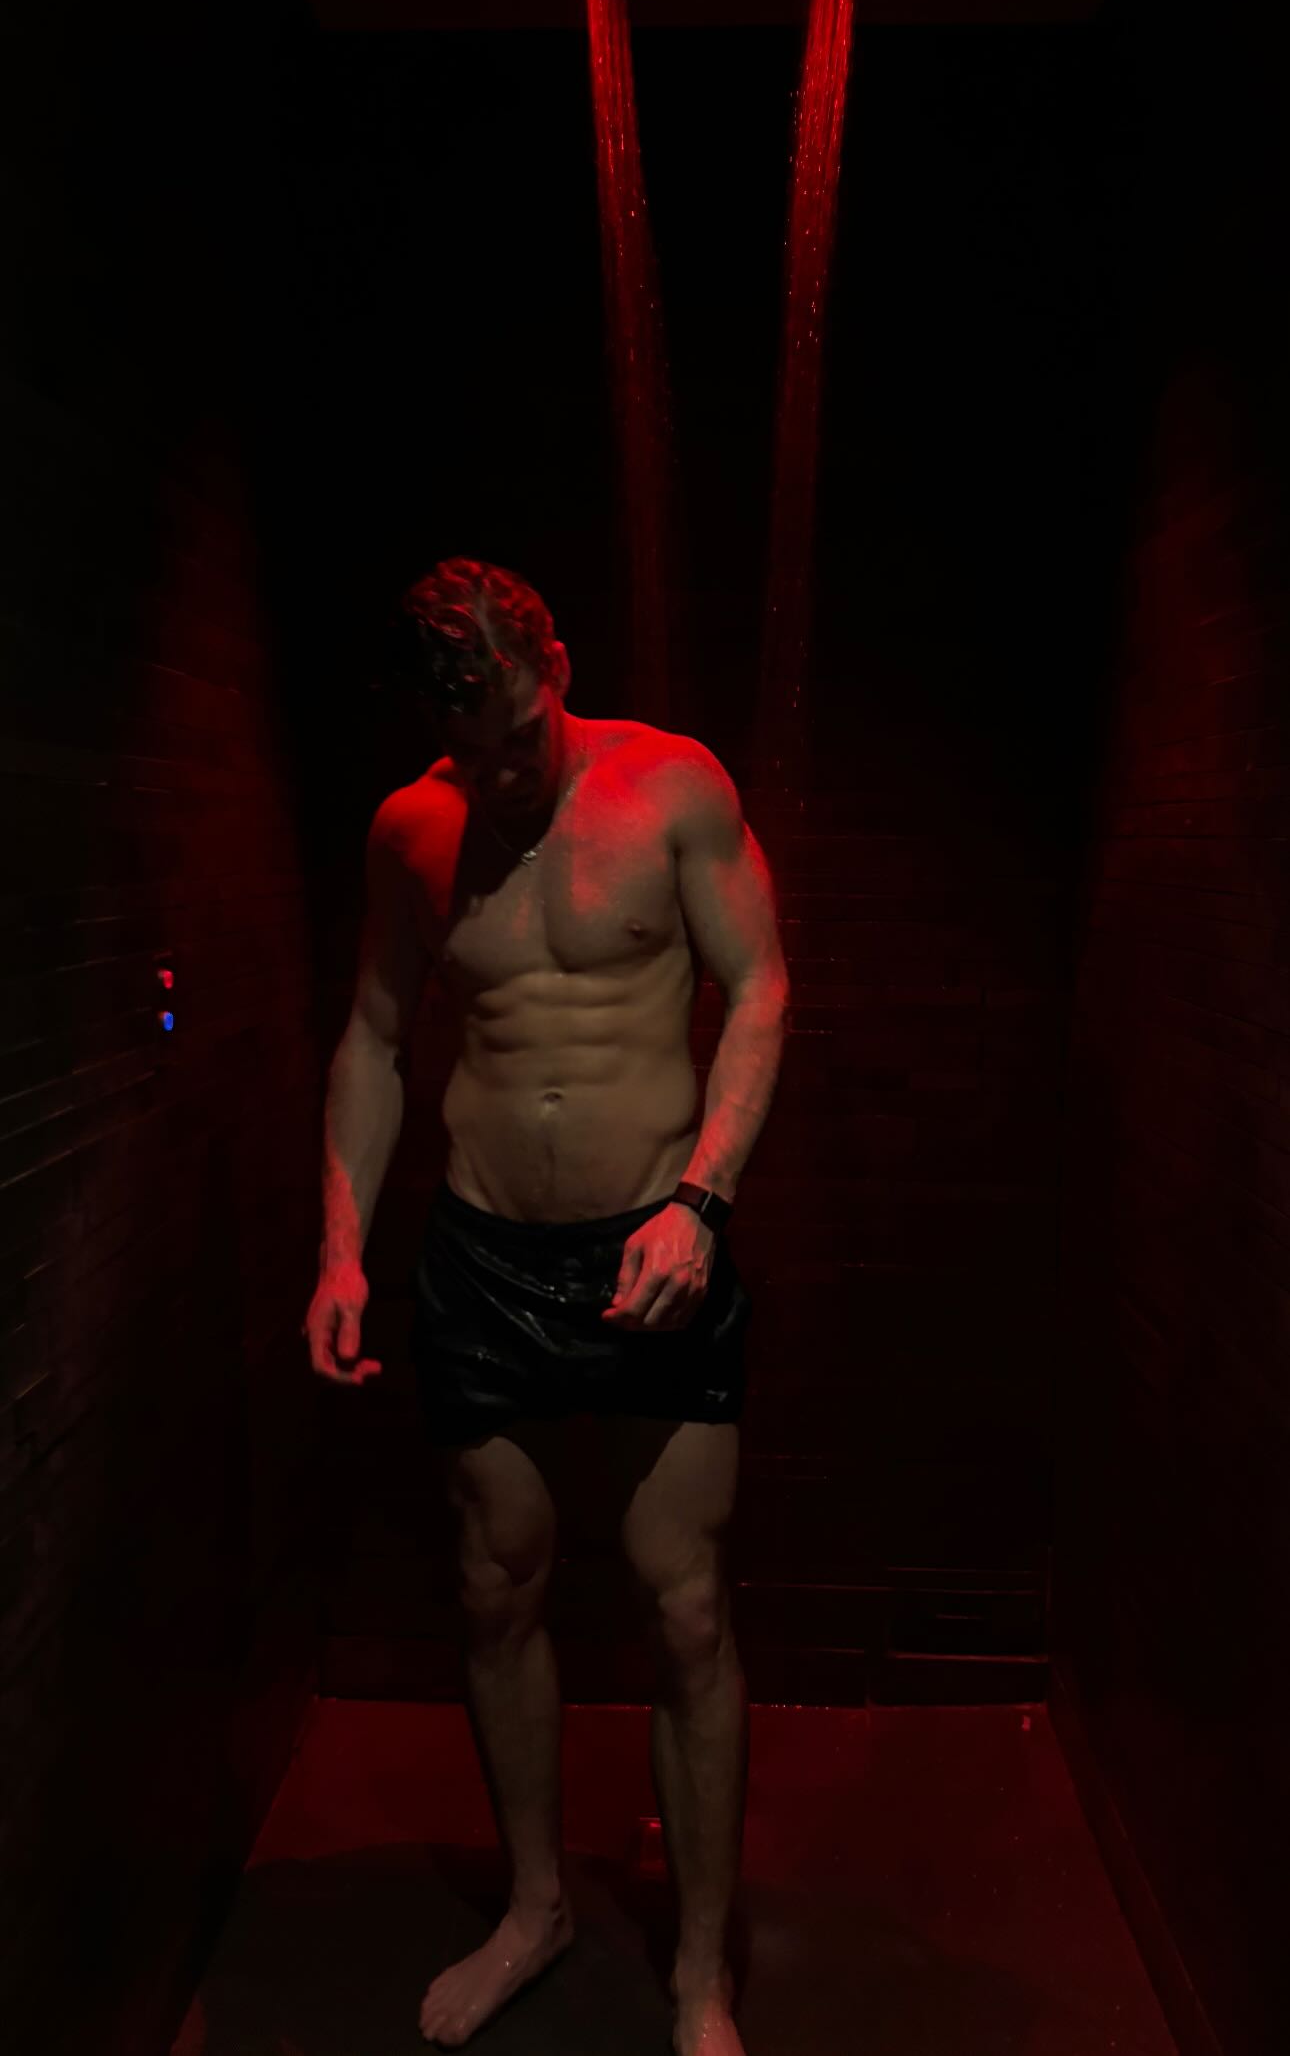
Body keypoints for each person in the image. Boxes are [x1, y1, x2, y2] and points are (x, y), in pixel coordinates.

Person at [303, 557, 788, 2056]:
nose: (505, 769)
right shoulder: (412, 830)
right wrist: (340, 1248)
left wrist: (701, 1202)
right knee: (495, 1581)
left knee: (683, 1601)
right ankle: (535, 1905)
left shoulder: (672, 789)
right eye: (474, 747)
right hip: (486, 1255)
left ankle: (699, 1969)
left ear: (556, 666)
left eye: (520, 732)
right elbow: (375, 1037)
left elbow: (761, 987)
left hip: (657, 1242)